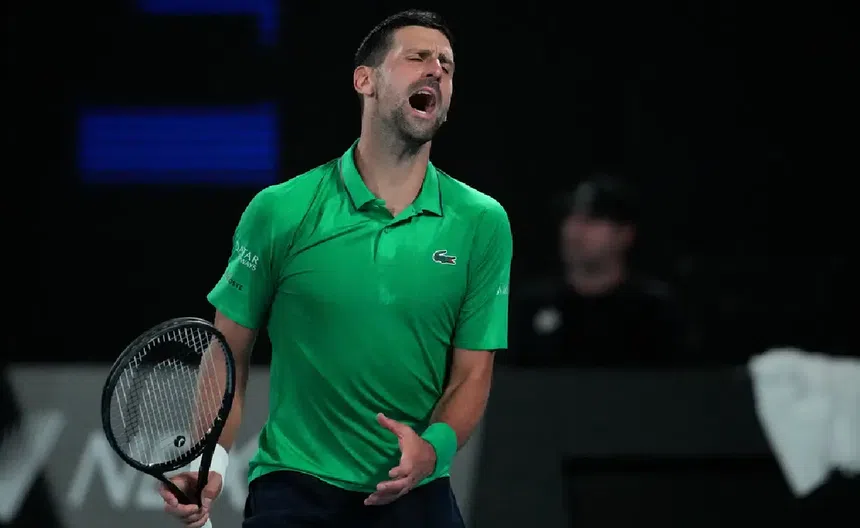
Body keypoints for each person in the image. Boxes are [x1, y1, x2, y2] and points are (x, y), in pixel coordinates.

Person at [158, 9, 512, 528]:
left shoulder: (482, 222)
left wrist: (432, 449)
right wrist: (207, 460)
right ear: (365, 80)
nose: (436, 69)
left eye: (447, 64)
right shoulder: (280, 210)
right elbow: (227, 352)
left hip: (416, 491)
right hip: (295, 489)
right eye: (417, 56)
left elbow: (473, 372)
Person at [510, 173, 689, 367]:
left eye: (591, 220)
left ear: (625, 234)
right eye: (570, 218)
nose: (574, 231)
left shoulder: (654, 312)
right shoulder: (530, 306)